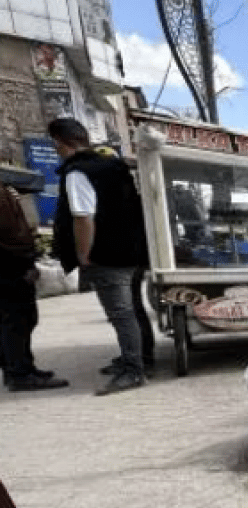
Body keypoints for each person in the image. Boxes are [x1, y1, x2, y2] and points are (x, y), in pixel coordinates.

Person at [48, 118, 150, 395]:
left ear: (59, 142)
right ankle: (140, 359)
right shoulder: (114, 165)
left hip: (106, 256)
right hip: (133, 251)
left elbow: (83, 218)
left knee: (121, 313)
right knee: (133, 309)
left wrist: (83, 253)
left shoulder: (78, 172)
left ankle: (133, 370)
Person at [93, 146, 156, 379]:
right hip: (130, 258)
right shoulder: (125, 189)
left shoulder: (116, 192)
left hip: (124, 260)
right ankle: (137, 356)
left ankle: (140, 359)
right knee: (130, 310)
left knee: (127, 311)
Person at [0, 182, 69, 391]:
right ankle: (20, 374)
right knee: (17, 321)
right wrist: (26, 261)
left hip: (10, 266)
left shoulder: (4, 191)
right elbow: (11, 236)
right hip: (10, 268)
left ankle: (21, 368)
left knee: (18, 321)